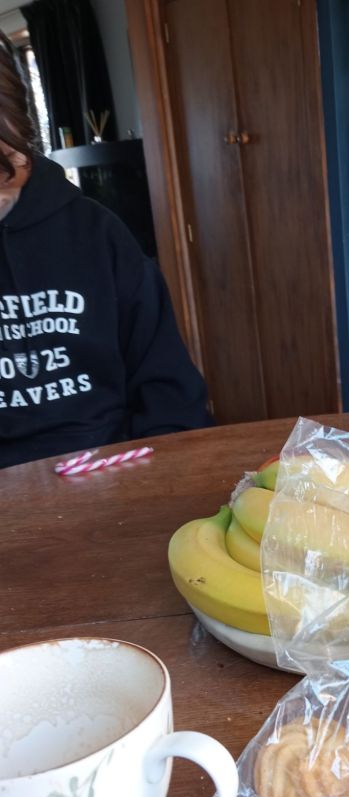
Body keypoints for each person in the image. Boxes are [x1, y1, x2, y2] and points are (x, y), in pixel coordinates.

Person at [0, 33, 211, 470]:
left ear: (18, 131)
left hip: (112, 464)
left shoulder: (99, 232)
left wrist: (166, 474)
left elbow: (170, 392)